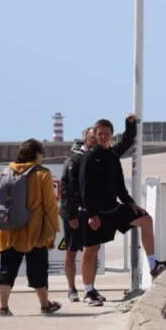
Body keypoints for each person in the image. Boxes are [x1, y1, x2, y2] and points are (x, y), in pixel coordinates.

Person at [79, 118, 166, 306]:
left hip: (113, 210)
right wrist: (91, 214)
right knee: (90, 251)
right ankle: (88, 292)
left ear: (111, 135)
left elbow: (120, 186)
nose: (103, 136)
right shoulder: (88, 157)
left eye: (107, 133)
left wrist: (130, 203)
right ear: (95, 136)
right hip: (95, 214)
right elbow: (84, 189)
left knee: (146, 220)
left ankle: (153, 264)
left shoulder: (112, 156)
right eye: (100, 133)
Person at [60, 114, 137, 303]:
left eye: (100, 135)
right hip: (74, 214)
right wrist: (71, 214)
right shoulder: (74, 160)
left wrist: (129, 124)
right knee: (71, 251)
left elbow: (125, 143)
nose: (96, 138)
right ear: (86, 138)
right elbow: (65, 189)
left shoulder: (105, 154)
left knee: (92, 249)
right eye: (93, 136)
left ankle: (90, 288)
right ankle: (71, 288)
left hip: (91, 213)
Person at [0, 138, 61, 317]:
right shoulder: (42, 174)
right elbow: (50, 205)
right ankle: (45, 304)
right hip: (34, 231)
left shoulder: (5, 173)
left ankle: (2, 307)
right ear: (36, 155)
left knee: (6, 268)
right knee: (38, 268)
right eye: (40, 154)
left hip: (8, 231)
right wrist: (54, 228)